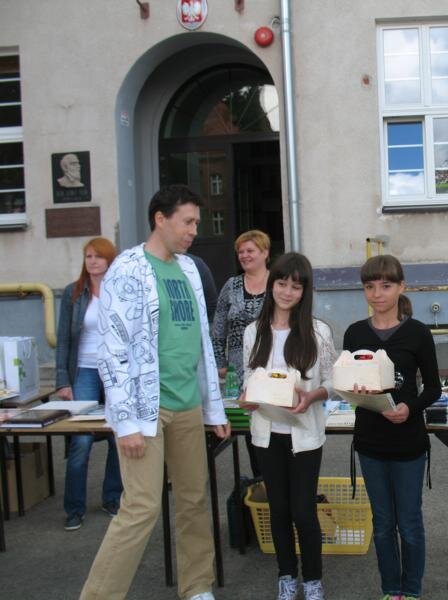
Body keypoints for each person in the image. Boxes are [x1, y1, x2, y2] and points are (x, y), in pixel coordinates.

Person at [80, 185, 230, 600]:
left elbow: (200, 342)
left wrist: (214, 408)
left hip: (188, 404)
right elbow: (112, 351)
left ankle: (197, 587)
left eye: (197, 222)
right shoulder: (127, 269)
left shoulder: (190, 270)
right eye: (187, 222)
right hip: (146, 409)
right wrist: (124, 421)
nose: (194, 230)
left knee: (193, 500)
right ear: (160, 219)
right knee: (141, 507)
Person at [343, 255, 440, 600]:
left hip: (408, 442)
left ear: (401, 287)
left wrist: (409, 408)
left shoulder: (417, 333)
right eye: (369, 286)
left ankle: (411, 590)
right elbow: (347, 383)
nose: (377, 293)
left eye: (385, 286)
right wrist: (355, 392)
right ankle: (391, 589)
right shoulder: (355, 333)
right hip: (370, 442)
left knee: (409, 523)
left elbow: (433, 388)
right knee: (382, 524)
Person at [240, 252, 335, 600]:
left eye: (296, 286)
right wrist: (246, 398)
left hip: (304, 435)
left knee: (303, 512)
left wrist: (312, 397)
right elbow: (248, 379)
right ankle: (286, 576)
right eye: (281, 283)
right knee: (277, 510)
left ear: (304, 291)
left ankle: (313, 580)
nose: (287, 292)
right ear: (272, 285)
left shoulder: (317, 331)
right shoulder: (254, 331)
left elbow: (333, 382)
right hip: (266, 435)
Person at [55, 236, 123, 531]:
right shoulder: (73, 293)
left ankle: (112, 498)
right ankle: (74, 508)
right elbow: (62, 340)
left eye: (98, 256)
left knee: (117, 435)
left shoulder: (120, 291)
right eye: (89, 256)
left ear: (110, 260)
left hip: (115, 371)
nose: (93, 261)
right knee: (81, 439)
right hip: (84, 369)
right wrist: (63, 380)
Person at [212, 229, 271, 476]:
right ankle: (261, 483)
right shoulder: (231, 286)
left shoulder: (279, 283)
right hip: (240, 375)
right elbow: (218, 329)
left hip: (273, 371)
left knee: (279, 430)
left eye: (250, 250)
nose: (244, 255)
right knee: (253, 435)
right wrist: (220, 362)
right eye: (240, 252)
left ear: (265, 253)